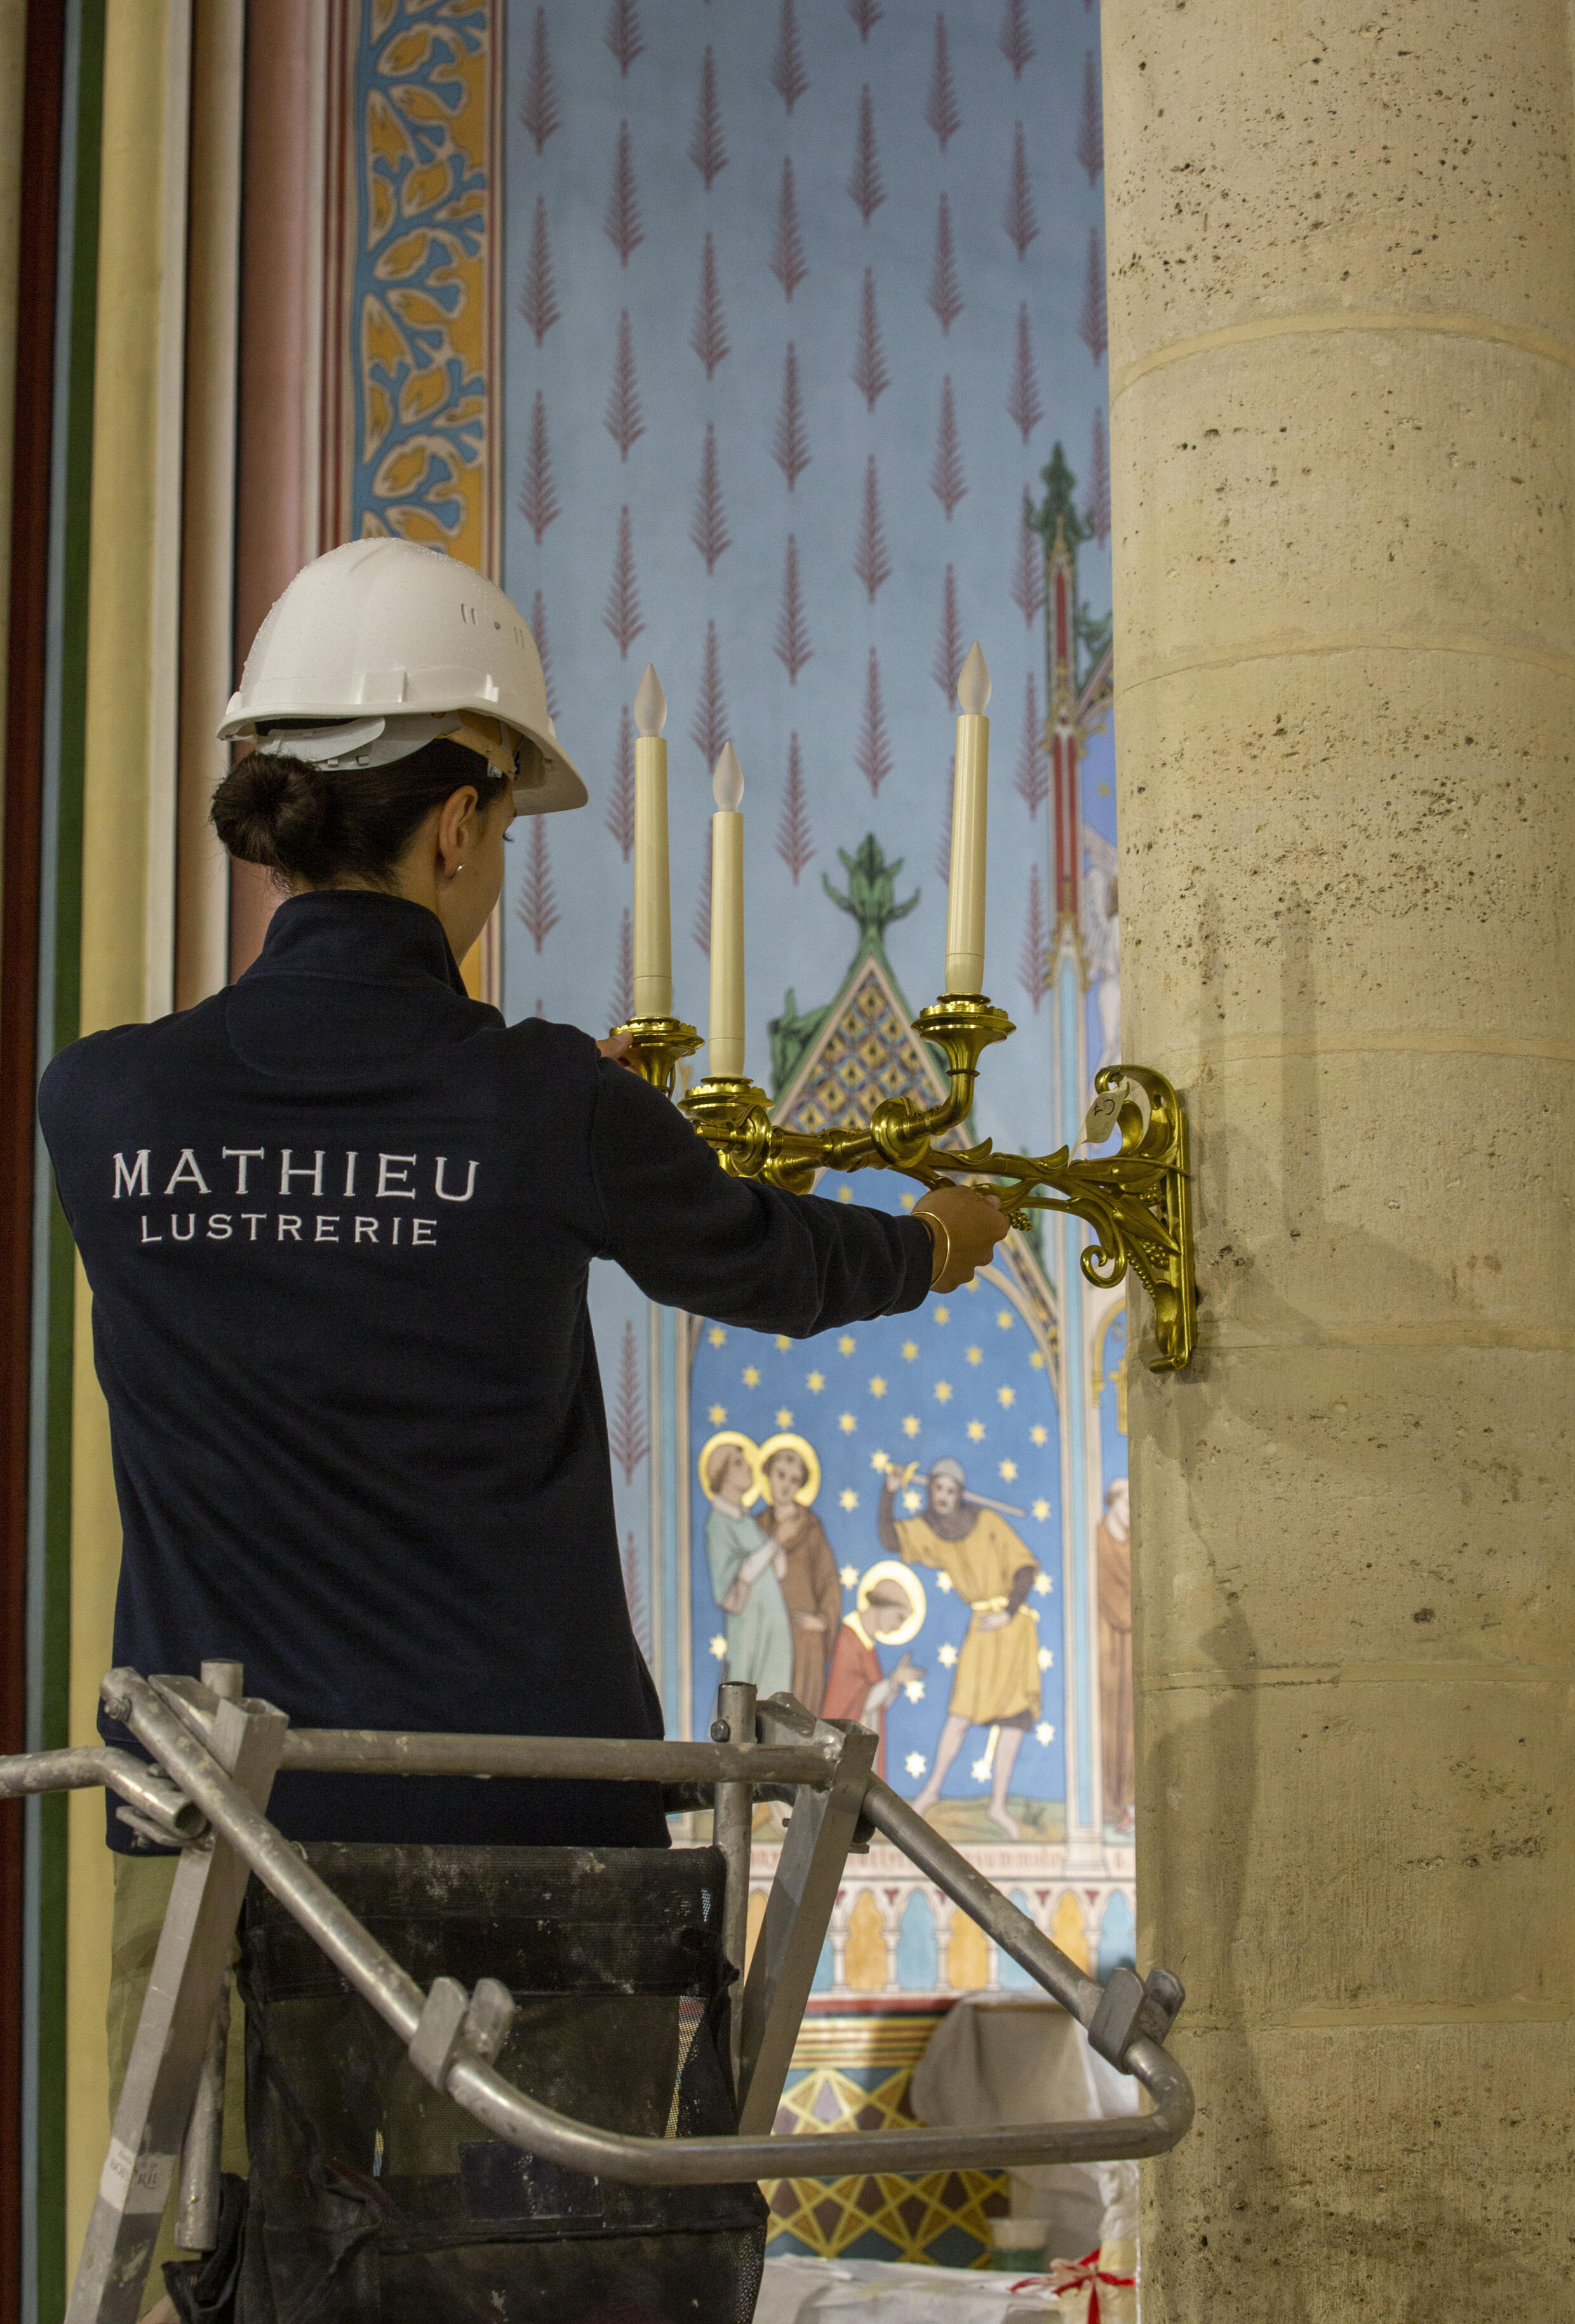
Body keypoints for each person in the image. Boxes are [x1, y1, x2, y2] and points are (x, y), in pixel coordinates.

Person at [37, 541, 1009, 2316]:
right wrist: (943, 1241)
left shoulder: (102, 1104)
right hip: (540, 1848)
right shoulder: (543, 1102)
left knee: (224, 2272)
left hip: (225, 1854)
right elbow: (782, 1267)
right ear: (462, 827)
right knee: (566, 2279)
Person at [880, 1457, 1040, 1839]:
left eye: (951, 1491)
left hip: (1011, 1627)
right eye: (938, 1490)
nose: (944, 1498)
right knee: (961, 1712)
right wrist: (888, 1493)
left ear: (960, 1494)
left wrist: (1008, 1611)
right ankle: (932, 1791)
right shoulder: (931, 1532)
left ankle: (997, 1804)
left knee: (1014, 1720)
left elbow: (1025, 1568)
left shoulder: (988, 1523)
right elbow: (890, 1539)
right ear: (930, 1491)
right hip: (981, 1629)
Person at [701, 1436, 794, 1701]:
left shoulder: (745, 1519)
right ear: (723, 1475)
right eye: (739, 1464)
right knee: (742, 1705)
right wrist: (776, 1542)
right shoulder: (719, 1523)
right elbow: (733, 1580)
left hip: (771, 1629)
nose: (749, 1468)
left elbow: (774, 1573)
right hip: (750, 1631)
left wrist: (777, 1548)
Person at [754, 1436, 841, 1712]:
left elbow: (828, 1582)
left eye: (794, 1479)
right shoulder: (756, 1528)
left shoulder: (812, 1529)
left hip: (804, 1636)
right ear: (768, 1474)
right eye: (781, 1475)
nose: (786, 1484)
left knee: (800, 1718)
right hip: (767, 1636)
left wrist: (823, 1620)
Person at [822, 1572, 924, 1775]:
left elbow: (875, 1703)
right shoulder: (849, 1640)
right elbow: (854, 1701)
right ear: (882, 1606)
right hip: (843, 1747)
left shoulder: (866, 1645)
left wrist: (893, 1682)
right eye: (899, 1616)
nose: (900, 1625)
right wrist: (893, 1679)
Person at [1096, 1476, 1134, 1834]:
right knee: (1109, 1725)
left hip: (1131, 1650)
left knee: (1131, 1725)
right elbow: (1116, 1603)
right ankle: (1110, 1803)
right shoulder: (1099, 1541)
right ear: (1113, 1502)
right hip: (1107, 1648)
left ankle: (1127, 1801)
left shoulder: (1134, 1545)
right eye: (1127, 1504)